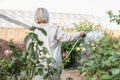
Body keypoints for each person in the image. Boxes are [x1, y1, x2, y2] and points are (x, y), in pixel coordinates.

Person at [32, 8, 87, 80]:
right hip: (52, 65)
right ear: (47, 16)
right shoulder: (53, 29)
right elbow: (68, 37)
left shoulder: (32, 31)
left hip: (38, 66)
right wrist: (80, 33)